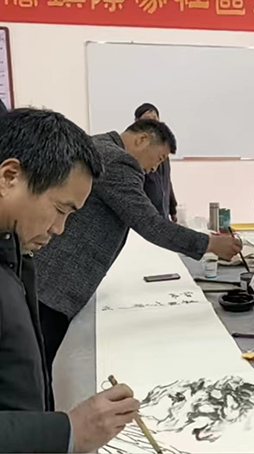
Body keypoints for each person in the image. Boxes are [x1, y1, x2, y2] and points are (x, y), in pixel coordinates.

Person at [35, 119, 242, 402]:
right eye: (159, 158)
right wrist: (210, 244)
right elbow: (150, 224)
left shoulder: (97, 144)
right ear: (142, 139)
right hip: (55, 283)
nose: (155, 168)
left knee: (36, 364)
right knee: (36, 369)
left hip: (45, 276)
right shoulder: (118, 162)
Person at [0, 108, 140, 452]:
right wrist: (66, 431)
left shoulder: (14, 255)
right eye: (60, 209)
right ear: (9, 177)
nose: (59, 229)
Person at [135, 103, 178, 222]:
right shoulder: (136, 154)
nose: (153, 124)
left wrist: (173, 209)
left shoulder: (163, 153)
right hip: (145, 218)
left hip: (163, 214)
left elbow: (167, 181)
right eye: (147, 120)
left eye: (155, 119)